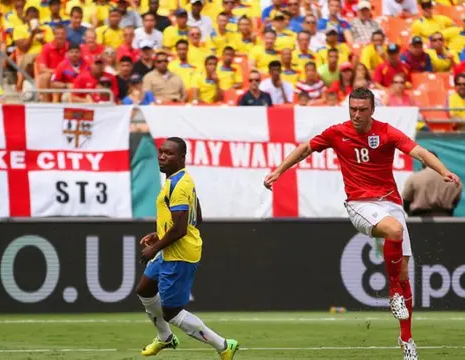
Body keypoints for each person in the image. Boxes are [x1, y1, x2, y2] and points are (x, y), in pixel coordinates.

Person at [263, 88, 461, 360]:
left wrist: (444, 171)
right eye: (352, 109)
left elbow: (420, 152)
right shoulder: (337, 132)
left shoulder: (387, 132)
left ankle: (407, 340)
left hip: (390, 203)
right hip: (360, 204)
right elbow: (306, 148)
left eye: (362, 110)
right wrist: (279, 170)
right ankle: (392, 294)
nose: (356, 115)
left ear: (372, 110)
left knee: (404, 273)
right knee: (394, 231)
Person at [137, 137, 239, 360]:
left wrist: (154, 248)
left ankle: (223, 345)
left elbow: (181, 229)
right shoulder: (179, 180)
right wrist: (160, 233)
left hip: (180, 253)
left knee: (172, 312)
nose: (162, 156)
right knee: (145, 289)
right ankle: (165, 338)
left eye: (169, 153)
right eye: (161, 152)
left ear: (182, 158)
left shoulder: (179, 184)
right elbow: (196, 217)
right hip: (170, 247)